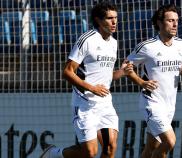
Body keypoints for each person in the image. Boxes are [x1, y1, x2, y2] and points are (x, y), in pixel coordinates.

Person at [40, 1, 132, 158]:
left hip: (105, 103)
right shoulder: (87, 39)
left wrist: (122, 72)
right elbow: (67, 72)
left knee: (110, 148)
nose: (114, 22)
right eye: (110, 18)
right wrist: (92, 88)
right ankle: (53, 154)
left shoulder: (114, 43)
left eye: (116, 18)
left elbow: (104, 76)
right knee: (90, 152)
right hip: (84, 103)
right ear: (98, 20)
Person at [126, 4, 182, 158]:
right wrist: (141, 82)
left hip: (169, 105)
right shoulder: (147, 47)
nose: (175, 24)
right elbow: (126, 66)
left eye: (177, 20)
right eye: (170, 20)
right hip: (151, 103)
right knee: (169, 141)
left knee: (151, 148)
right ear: (159, 23)